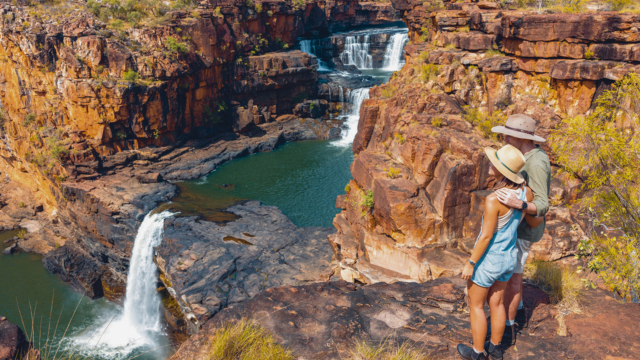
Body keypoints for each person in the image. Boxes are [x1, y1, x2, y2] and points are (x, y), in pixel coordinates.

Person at [457, 145, 543, 360]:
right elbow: (534, 217)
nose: (489, 166)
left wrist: (471, 262)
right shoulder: (526, 192)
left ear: (501, 170)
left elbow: (486, 237)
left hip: (489, 260)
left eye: (493, 164)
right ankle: (495, 349)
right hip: (508, 258)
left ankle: (477, 353)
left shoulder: (494, 199)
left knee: (476, 306)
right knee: (496, 303)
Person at [491, 114, 551, 345]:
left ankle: (507, 330)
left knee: (513, 278)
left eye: (508, 134)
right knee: (514, 274)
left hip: (525, 230)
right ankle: (519, 312)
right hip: (521, 226)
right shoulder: (528, 155)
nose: (505, 137)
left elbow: (543, 205)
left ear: (521, 137)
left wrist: (518, 204)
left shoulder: (536, 162)